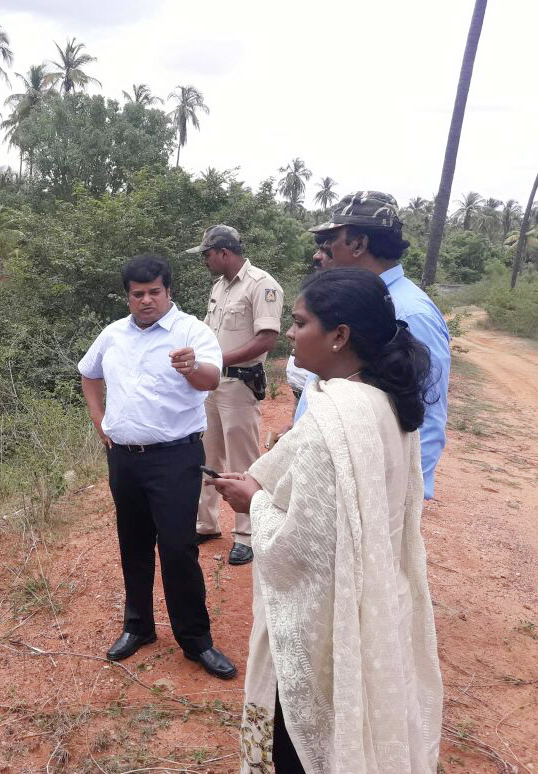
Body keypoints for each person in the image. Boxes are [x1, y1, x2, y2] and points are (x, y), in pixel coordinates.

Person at [208, 268, 443, 773]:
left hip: (327, 628)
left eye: (300, 322)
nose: (290, 333)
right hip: (372, 599)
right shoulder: (386, 403)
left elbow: (306, 549)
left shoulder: (334, 420)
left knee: (308, 742)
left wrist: (255, 504)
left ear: (339, 336)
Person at [78, 254, 236, 679]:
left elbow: (211, 379)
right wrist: (99, 421)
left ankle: (196, 640)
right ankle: (138, 627)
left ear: (168, 292)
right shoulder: (112, 335)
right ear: (128, 296)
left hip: (175, 457)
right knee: (132, 543)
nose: (146, 300)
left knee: (177, 548)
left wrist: (191, 367)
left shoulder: (191, 332)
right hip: (124, 458)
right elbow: (88, 375)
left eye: (154, 292)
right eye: (137, 294)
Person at [295, 190, 450, 499]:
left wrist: (394, 501)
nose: (323, 252)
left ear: (359, 244)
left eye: (332, 241)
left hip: (363, 494)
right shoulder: (356, 300)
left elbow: (427, 415)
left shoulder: (408, 312)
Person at [187, 225, 284, 565]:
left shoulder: (262, 285)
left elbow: (267, 339)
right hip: (212, 385)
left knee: (243, 460)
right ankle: (206, 522)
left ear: (224, 252)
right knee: (208, 455)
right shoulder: (219, 287)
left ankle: (247, 534)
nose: (204, 261)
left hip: (240, 384)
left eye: (207, 254)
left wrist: (217, 359)